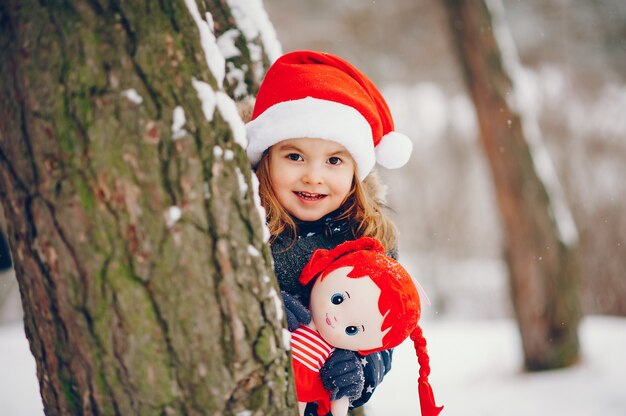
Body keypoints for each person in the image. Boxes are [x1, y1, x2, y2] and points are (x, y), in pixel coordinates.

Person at [245, 50, 413, 414]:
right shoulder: (248, 224)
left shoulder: (370, 238)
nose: (314, 176)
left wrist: (362, 370)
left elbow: (384, 329)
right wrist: (263, 308)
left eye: (334, 160)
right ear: (266, 158)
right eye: (295, 156)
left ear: (356, 171)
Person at [290, 237, 442, 416]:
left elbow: (382, 353)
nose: (335, 319)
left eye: (351, 329)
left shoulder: (369, 233)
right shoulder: (258, 230)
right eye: (337, 300)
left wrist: (358, 371)